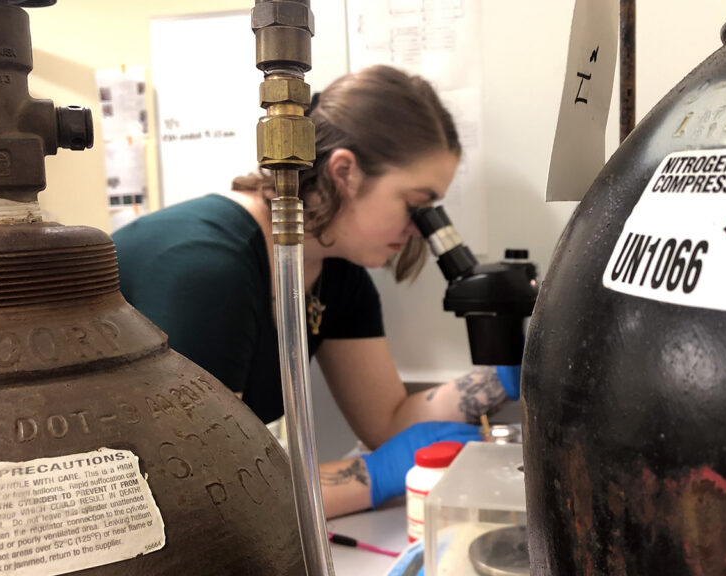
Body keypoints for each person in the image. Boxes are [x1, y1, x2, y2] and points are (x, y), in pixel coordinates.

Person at [113, 65, 520, 518]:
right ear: (344, 172)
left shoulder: (335, 273)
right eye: (415, 205)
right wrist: (375, 475)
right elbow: (204, 493)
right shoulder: (207, 269)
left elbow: (389, 420)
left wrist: (506, 376)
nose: (422, 230)